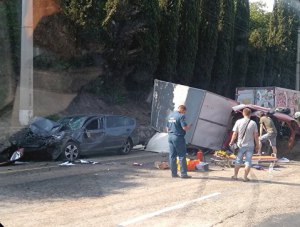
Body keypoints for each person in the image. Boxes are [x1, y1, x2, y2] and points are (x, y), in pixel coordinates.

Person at [229, 108, 259, 182]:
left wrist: (231, 141)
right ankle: (245, 177)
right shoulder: (253, 123)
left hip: (240, 145)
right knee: (248, 161)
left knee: (238, 160)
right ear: (250, 114)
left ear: (243, 113)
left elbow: (235, 133)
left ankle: (235, 176)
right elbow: (256, 135)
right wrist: (257, 145)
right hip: (250, 145)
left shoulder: (238, 122)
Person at [167, 105, 192, 178]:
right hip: (178, 137)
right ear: (182, 110)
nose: (184, 113)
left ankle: (174, 174)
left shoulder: (170, 116)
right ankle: (184, 174)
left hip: (170, 137)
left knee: (172, 156)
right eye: (184, 112)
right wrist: (189, 126)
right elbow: (184, 128)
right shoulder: (181, 116)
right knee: (182, 155)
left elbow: (167, 128)